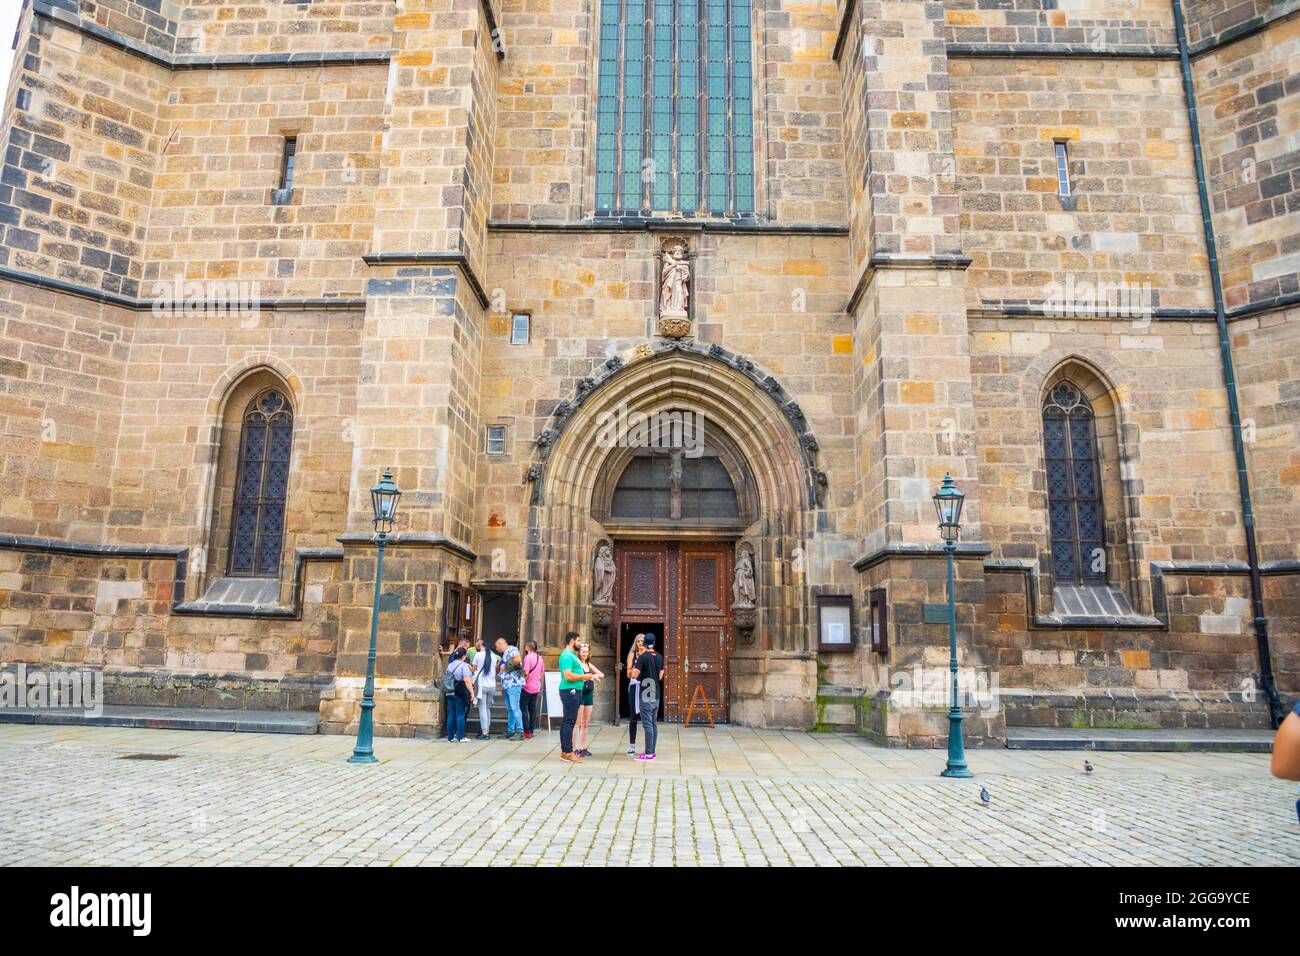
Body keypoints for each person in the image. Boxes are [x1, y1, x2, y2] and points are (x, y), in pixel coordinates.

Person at [557, 630, 593, 763]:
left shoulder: (571, 655)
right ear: (572, 641)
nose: (579, 643)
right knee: (570, 722)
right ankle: (568, 752)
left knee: (567, 721)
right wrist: (584, 676)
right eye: (578, 641)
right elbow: (567, 675)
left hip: (574, 691)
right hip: (570, 691)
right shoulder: (567, 656)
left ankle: (565, 751)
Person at [629, 634, 665, 761]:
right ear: (654, 643)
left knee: (647, 725)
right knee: (653, 723)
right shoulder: (660, 657)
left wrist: (636, 669)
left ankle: (648, 753)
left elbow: (634, 675)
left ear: (644, 643)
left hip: (645, 692)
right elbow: (660, 676)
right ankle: (652, 751)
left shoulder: (643, 657)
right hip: (656, 692)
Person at [574, 641, 604, 757]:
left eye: (586, 652)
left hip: (589, 695)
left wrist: (594, 675)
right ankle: (574, 748)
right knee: (578, 723)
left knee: (586, 723)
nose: (584, 654)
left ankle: (583, 747)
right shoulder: (577, 664)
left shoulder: (589, 665)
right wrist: (591, 676)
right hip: (580, 694)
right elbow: (577, 678)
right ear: (579, 652)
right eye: (583, 652)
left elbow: (601, 674)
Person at [444, 647, 475, 743]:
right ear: (464, 656)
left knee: (451, 714)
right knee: (460, 713)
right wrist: (472, 692)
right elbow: (466, 680)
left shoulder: (450, 665)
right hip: (459, 690)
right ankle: (460, 736)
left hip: (449, 690)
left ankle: (450, 736)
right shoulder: (464, 665)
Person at [472, 637, 500, 740]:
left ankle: (484, 732)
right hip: (492, 686)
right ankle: (487, 729)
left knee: (482, 709)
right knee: (487, 708)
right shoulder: (494, 657)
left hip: (482, 685)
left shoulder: (478, 655)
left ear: (482, 646)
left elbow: (474, 669)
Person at [497, 637, 524, 741]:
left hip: (514, 683)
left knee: (515, 707)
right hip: (508, 684)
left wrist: (504, 665)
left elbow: (517, 659)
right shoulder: (505, 653)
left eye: (497, 646)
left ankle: (520, 731)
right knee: (510, 709)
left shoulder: (512, 649)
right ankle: (511, 730)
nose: (496, 648)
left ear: (501, 644)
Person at [624, 633, 646, 756]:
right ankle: (632, 745)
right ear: (635, 643)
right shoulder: (632, 655)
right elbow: (629, 674)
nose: (640, 643)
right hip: (634, 685)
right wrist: (637, 670)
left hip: (646, 687)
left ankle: (648, 747)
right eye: (638, 641)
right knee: (633, 716)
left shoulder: (649, 654)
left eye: (642, 641)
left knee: (646, 717)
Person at [520, 640, 544, 739]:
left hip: (527, 687)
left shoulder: (527, 657)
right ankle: (531, 730)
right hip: (536, 687)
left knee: (523, 708)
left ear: (528, 647)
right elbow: (542, 672)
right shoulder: (540, 658)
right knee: (532, 709)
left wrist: (521, 680)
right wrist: (537, 681)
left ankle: (526, 731)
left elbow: (525, 672)